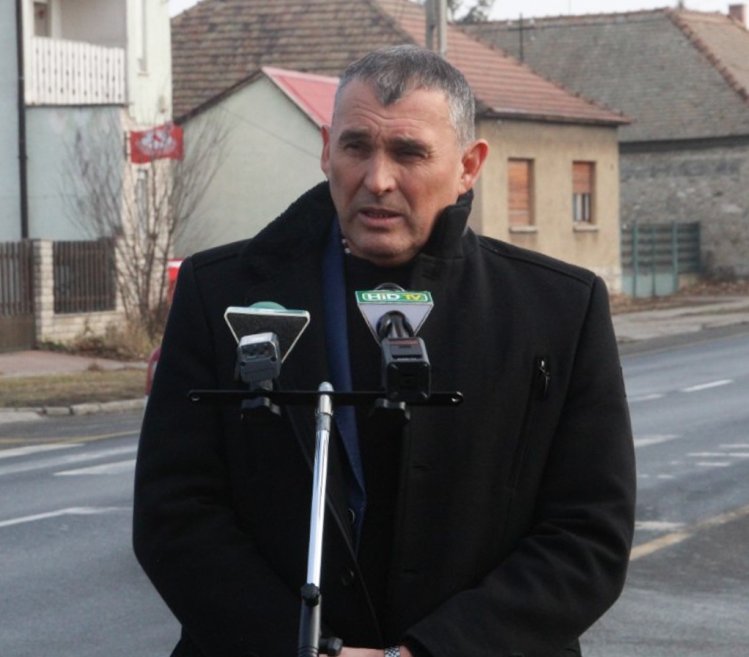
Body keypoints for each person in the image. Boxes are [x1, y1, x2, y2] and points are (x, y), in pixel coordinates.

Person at [133, 45, 635, 657]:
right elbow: (174, 514)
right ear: (326, 150)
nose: (377, 179)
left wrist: (431, 652)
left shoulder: (560, 309)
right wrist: (304, 649)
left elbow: (589, 534)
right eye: (356, 147)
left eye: (409, 152)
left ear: (468, 166)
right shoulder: (220, 294)